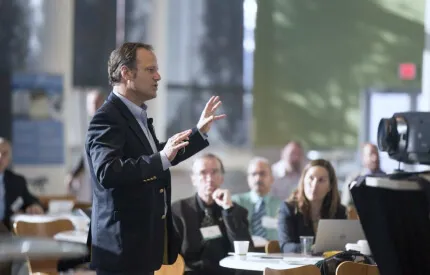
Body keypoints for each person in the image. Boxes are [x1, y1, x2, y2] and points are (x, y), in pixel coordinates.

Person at [86, 42, 226, 275]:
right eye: (150, 70)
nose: (158, 76)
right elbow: (108, 171)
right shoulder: (107, 118)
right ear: (126, 73)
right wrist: (161, 157)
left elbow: (159, 156)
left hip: (140, 248)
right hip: (121, 251)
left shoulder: (136, 114)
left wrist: (198, 132)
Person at [172, 153, 253, 275]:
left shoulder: (236, 211)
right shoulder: (179, 210)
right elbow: (171, 256)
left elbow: (245, 250)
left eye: (214, 172)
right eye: (203, 173)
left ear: (222, 177)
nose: (209, 178)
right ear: (193, 179)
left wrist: (228, 210)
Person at [278, 159, 346, 253]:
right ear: (303, 181)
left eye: (321, 180)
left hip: (329, 266)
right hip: (298, 266)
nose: (314, 185)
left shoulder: (339, 211)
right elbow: (285, 246)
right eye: (311, 178)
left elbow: (343, 246)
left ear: (330, 187)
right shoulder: (288, 208)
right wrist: (313, 248)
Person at [65, 89, 105, 203]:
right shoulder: (91, 126)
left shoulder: (108, 125)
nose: (95, 106)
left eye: (97, 103)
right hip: (93, 182)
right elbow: (86, 154)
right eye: (92, 103)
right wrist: (74, 174)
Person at [232, 157, 282, 241]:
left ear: (272, 178)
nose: (258, 178)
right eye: (253, 174)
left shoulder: (281, 206)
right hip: (245, 251)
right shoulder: (236, 202)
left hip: (274, 252)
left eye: (262, 174)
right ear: (248, 179)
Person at [0, 137, 43, 230]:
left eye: (4, 154)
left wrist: (35, 206)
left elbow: (31, 200)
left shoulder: (17, 181)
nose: (0, 157)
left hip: (8, 234)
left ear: (9, 159)